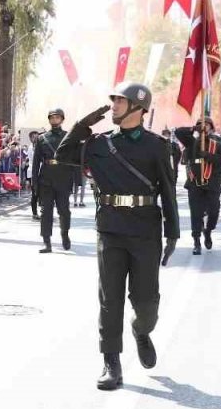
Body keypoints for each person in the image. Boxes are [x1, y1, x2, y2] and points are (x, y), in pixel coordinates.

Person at [56, 82, 179, 391]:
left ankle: (141, 330)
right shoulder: (99, 144)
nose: (113, 105)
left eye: (120, 101)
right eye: (112, 100)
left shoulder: (156, 146)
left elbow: (167, 189)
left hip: (146, 230)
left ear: (138, 108)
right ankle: (111, 361)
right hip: (110, 229)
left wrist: (173, 233)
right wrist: (83, 125)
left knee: (146, 301)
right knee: (110, 299)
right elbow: (63, 153)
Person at [174, 117, 221, 255]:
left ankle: (208, 231)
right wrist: (192, 129)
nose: (204, 127)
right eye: (201, 126)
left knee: (213, 213)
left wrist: (209, 156)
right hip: (195, 184)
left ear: (211, 127)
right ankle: (196, 241)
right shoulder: (191, 143)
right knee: (196, 214)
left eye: (207, 125)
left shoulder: (217, 144)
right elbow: (178, 132)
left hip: (212, 185)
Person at [33, 109, 75, 253]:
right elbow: (36, 162)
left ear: (62, 119)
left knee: (64, 211)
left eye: (57, 117)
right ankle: (47, 242)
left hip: (63, 178)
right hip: (46, 178)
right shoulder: (42, 138)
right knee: (46, 212)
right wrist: (34, 182)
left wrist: (75, 181)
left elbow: (73, 159)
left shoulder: (68, 136)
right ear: (49, 119)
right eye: (52, 117)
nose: (55, 120)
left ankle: (65, 234)